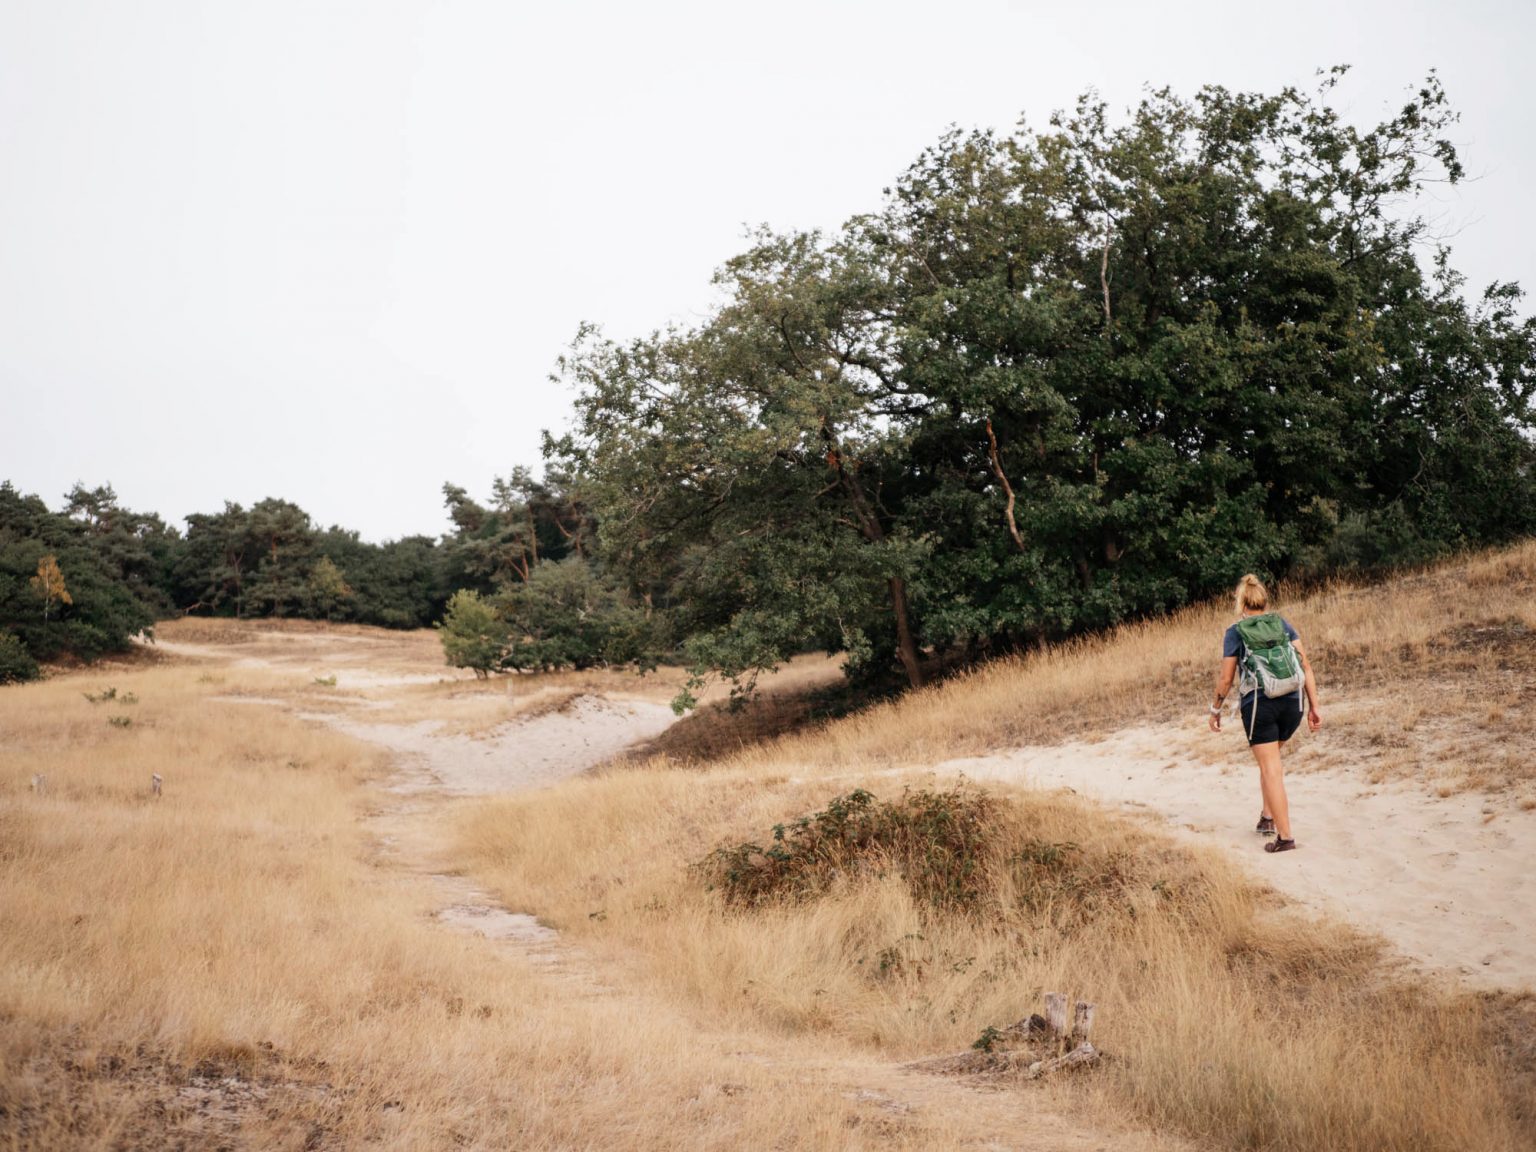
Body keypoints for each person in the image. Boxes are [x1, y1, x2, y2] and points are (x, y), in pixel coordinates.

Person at [1208, 574, 1321, 853]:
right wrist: (1315, 706)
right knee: (1271, 761)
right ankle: (1267, 818)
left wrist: (1215, 708)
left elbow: (1225, 679)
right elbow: (1305, 666)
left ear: (1241, 601)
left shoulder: (1236, 631)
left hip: (1261, 704)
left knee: (1271, 768)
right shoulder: (1281, 623)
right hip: (1293, 703)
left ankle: (1285, 837)